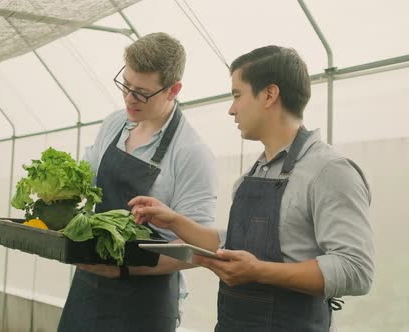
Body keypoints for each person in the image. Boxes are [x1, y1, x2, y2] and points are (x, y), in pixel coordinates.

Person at [129, 45, 375, 331]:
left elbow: (356, 269)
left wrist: (259, 271)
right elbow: (235, 244)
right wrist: (174, 221)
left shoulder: (329, 171)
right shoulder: (253, 174)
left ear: (269, 95)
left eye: (237, 95)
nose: (231, 109)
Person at [57, 32, 218, 332]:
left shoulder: (191, 154)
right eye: (126, 85)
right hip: (88, 287)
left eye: (142, 92)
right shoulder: (114, 124)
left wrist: (122, 269)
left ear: (173, 90)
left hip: (145, 302)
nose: (130, 98)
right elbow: (83, 184)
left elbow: (197, 250)